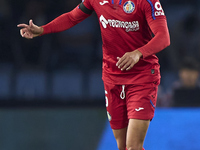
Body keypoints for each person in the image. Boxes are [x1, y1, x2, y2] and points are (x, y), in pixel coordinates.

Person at [17, 0, 170, 149]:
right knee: (122, 146)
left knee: (133, 146)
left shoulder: (146, 1)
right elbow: (72, 17)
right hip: (112, 78)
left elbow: (163, 37)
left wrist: (138, 53)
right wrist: (43, 29)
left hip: (141, 78)